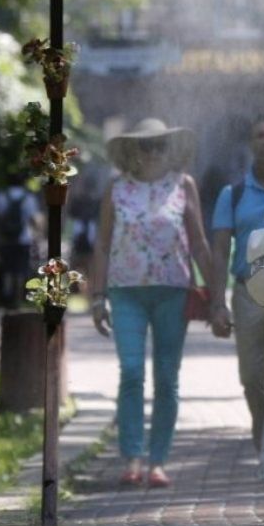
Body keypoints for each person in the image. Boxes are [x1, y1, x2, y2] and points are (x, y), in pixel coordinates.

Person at [87, 118, 215, 489]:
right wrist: (97, 297)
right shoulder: (116, 189)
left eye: (160, 145)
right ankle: (132, 457)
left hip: (172, 290)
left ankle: (157, 461)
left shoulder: (183, 185)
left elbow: (199, 243)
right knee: (131, 371)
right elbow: (102, 245)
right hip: (125, 290)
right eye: (146, 145)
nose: (154, 151)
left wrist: (217, 296)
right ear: (133, 150)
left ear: (170, 149)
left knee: (166, 377)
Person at [208, 114, 264, 488]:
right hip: (247, 292)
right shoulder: (233, 194)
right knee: (251, 378)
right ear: (251, 144)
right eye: (260, 136)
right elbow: (219, 249)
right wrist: (217, 303)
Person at [0, 172, 42, 307]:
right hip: (24, 239)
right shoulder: (29, 198)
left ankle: (7, 297)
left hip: (6, 239)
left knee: (7, 269)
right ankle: (18, 297)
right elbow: (34, 220)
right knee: (20, 269)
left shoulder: (1, 197)